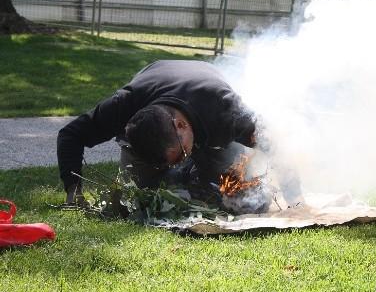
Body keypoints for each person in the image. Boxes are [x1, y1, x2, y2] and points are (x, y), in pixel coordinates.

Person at [57, 60, 257, 204]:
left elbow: (271, 140)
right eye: (166, 162)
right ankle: (175, 168)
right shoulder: (125, 104)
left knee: (227, 190)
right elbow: (70, 135)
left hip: (207, 112)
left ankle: (195, 171)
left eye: (181, 155)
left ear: (181, 125)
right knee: (139, 195)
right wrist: (73, 191)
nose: (174, 164)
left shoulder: (224, 106)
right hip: (157, 80)